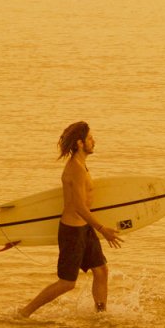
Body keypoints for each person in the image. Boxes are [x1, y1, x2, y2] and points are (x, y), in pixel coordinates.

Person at [19, 122, 122, 317]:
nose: (94, 141)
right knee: (67, 283)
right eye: (90, 138)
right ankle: (24, 313)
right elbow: (78, 206)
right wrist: (102, 229)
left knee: (101, 271)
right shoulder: (75, 169)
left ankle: (101, 316)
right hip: (72, 231)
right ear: (80, 143)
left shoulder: (81, 164)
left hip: (84, 228)